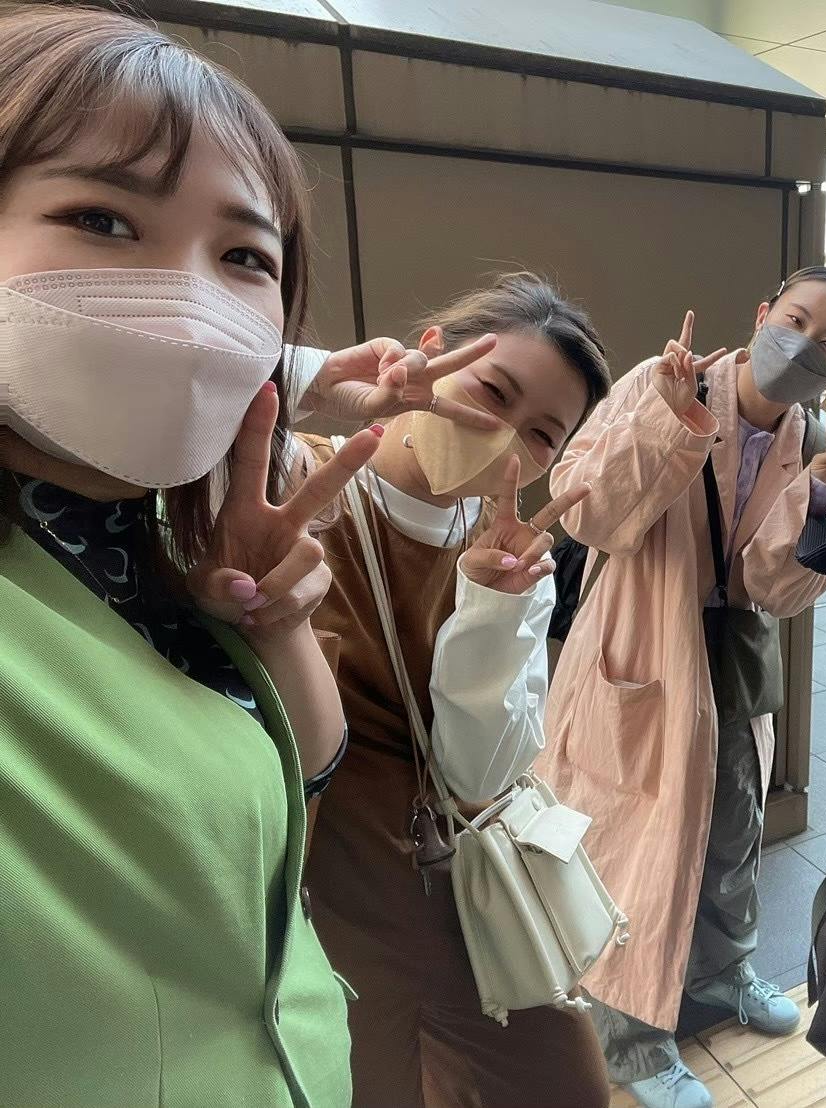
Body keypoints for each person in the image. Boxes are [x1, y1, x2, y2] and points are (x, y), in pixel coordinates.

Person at [0, 8, 392, 1102]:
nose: (189, 308)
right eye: (102, 219)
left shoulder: (157, 538)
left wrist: (273, 617)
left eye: (243, 257)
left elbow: (301, 779)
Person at [537, 267, 826, 1108]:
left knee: (732, 836)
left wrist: (820, 499)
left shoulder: (805, 436)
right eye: (796, 319)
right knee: (627, 851)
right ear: (763, 314)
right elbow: (585, 510)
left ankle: (723, 975)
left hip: (734, 655)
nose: (805, 345)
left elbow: (776, 588)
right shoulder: (665, 384)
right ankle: (631, 1043)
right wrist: (668, 422)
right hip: (639, 643)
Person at [295, 274, 616, 1107]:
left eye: (541, 434)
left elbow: (480, 774)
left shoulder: (515, 560)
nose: (503, 434)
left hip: (459, 896)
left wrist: (493, 608)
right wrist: (313, 379)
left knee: (566, 1089)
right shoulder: (299, 482)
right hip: (317, 908)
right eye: (493, 392)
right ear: (430, 354)